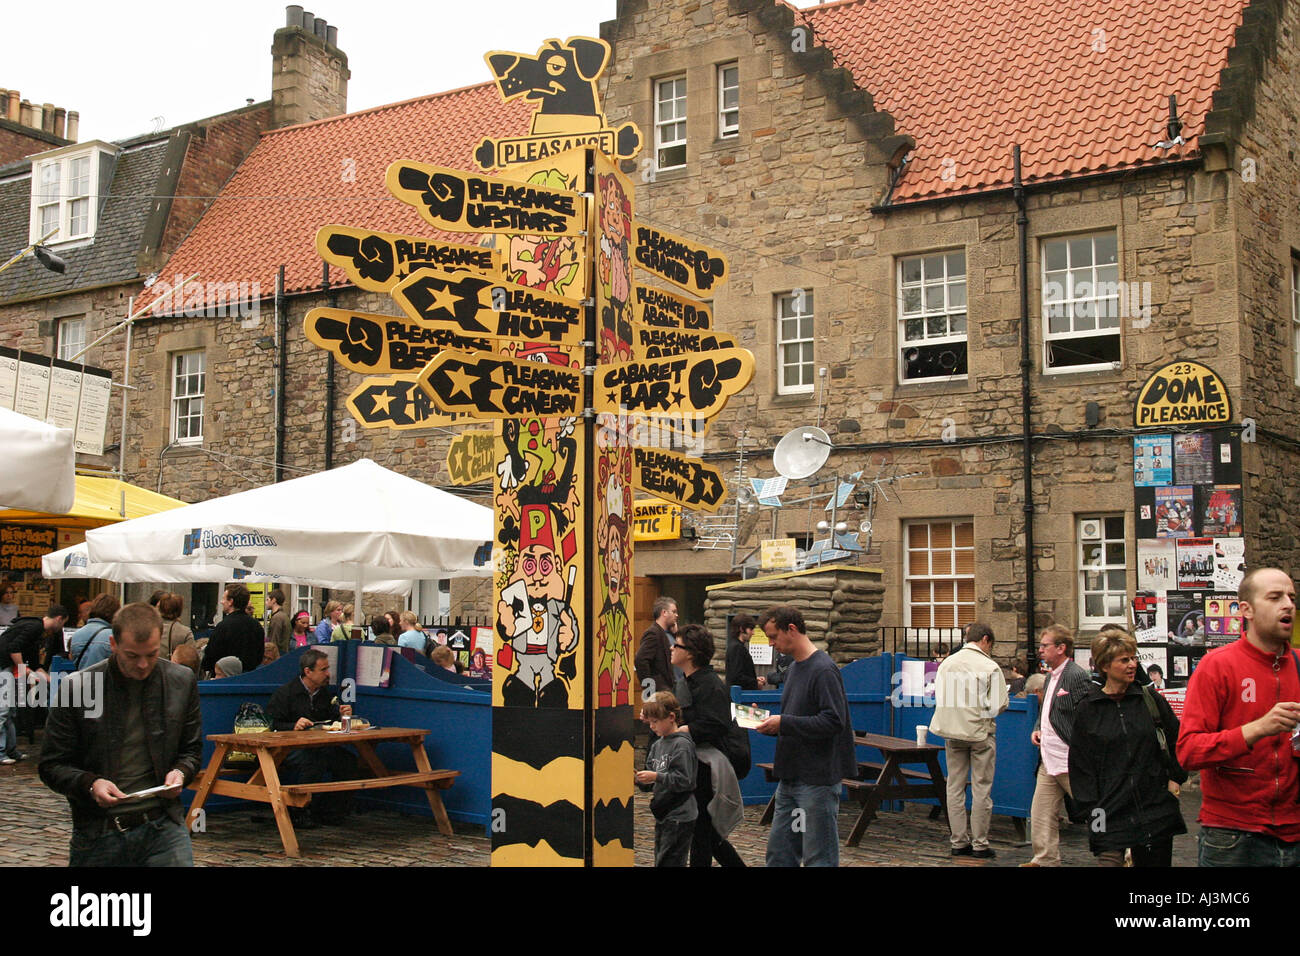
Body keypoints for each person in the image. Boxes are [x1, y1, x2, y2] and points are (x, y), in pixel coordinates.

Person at [38, 603, 201, 866]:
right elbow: (51, 765)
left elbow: (191, 750)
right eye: (132, 656)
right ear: (113, 644)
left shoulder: (180, 681)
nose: (143, 664)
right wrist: (91, 784)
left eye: (151, 654)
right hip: (99, 831)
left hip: (163, 825)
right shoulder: (80, 687)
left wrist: (181, 772)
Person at [1177, 567, 1300, 866]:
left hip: (1294, 833)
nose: (1288, 604)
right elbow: (1188, 752)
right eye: (1274, 597)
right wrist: (1256, 729)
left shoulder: (1298, 663)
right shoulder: (1217, 666)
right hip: (1232, 835)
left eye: (1291, 597)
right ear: (1246, 609)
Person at [1070, 628, 1187, 867]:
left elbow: (1178, 739)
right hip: (1109, 809)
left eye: (1134, 658)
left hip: (1154, 808)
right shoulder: (1089, 708)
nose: (1132, 664)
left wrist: (1176, 778)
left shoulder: (1150, 700)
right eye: (1124, 660)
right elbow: (1081, 764)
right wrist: (1091, 811)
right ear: (1104, 665)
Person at [755, 605, 857, 867]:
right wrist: (769, 722)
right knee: (779, 855)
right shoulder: (796, 668)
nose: (771, 643)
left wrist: (784, 723)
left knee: (818, 857)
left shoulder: (823, 669)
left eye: (773, 636)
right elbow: (797, 720)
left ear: (791, 629)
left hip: (817, 779)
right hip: (791, 775)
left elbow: (834, 721)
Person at [929, 622, 1008, 859]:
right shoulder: (989, 666)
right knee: (981, 788)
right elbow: (999, 704)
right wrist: (982, 711)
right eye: (990, 645)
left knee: (954, 787)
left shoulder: (947, 664)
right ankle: (980, 844)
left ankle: (958, 841)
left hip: (952, 732)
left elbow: (940, 695)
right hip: (980, 733)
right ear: (985, 639)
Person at [672, 623, 746, 868]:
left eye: (677, 645)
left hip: (708, 765)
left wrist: (686, 729)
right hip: (694, 761)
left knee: (701, 829)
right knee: (704, 831)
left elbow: (717, 723)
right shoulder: (686, 680)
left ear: (691, 653)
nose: (672, 648)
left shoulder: (710, 684)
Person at [1022, 624, 1091, 867]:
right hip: (1048, 758)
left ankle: (1122, 852)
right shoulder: (1051, 675)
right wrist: (1037, 729)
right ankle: (1045, 859)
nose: (1040, 650)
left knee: (1097, 809)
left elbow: (1086, 715)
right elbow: (1046, 709)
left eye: (1045, 645)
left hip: (1069, 758)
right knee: (1041, 813)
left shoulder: (1076, 675)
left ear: (1061, 648)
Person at [266, 647, 355, 827]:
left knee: (348, 761)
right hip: (288, 749)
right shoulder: (286, 694)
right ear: (308, 671)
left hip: (317, 745)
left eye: (328, 669)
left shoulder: (324, 694)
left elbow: (329, 718)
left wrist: (341, 714)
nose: (328, 674)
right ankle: (300, 810)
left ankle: (329, 809)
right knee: (314, 761)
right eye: (323, 670)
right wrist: (293, 726)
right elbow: (272, 724)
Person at [636, 691, 698, 867]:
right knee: (662, 857)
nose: (652, 727)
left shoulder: (682, 745)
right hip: (664, 811)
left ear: (671, 717)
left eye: (655, 722)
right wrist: (639, 779)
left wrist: (656, 776)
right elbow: (651, 780)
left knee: (671, 860)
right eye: (650, 722)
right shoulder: (657, 745)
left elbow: (685, 780)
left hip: (680, 812)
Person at [0, 605, 68, 764]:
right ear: (59, 619)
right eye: (63, 623)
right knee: (4, 710)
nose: (61, 628)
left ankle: (10, 749)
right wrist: (26, 669)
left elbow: (35, 663)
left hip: (7, 667)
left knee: (10, 710)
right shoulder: (35, 627)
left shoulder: (36, 630)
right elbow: (14, 648)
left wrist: (47, 677)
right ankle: (2, 752)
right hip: (3, 666)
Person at [201, 584, 264, 677]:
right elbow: (259, 656)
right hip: (249, 678)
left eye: (223, 598)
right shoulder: (257, 626)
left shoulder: (223, 627)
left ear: (231, 601)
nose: (221, 602)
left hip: (224, 679)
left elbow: (211, 656)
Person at [635, 596, 678, 699]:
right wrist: (650, 691)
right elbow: (640, 660)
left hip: (670, 690)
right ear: (664, 613)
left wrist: (676, 634)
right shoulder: (653, 633)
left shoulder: (669, 633)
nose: (677, 615)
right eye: (674, 611)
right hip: (660, 693)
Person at [66, 594, 120, 671]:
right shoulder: (113, 636)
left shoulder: (76, 635)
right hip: (104, 682)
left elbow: (72, 659)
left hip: (83, 681)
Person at [156, 592, 195, 661]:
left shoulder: (150, 628)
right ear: (179, 609)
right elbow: (191, 658)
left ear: (159, 607)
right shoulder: (185, 632)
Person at [725, 613, 759, 690]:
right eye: (751, 629)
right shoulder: (737, 648)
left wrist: (755, 680)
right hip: (740, 696)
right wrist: (755, 682)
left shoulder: (735, 646)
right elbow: (736, 677)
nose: (753, 633)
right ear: (741, 629)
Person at [265, 588, 291, 656]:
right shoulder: (284, 615)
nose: (266, 603)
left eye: (267, 600)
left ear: (273, 600)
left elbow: (274, 641)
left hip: (278, 655)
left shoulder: (277, 618)